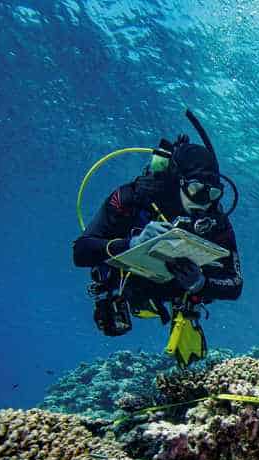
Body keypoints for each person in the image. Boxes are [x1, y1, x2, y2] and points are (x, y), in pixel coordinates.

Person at [73, 120, 242, 366]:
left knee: (191, 301)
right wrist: (131, 244)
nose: (204, 202)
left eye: (213, 193)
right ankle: (113, 299)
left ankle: (185, 316)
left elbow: (235, 284)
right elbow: (81, 251)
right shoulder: (132, 197)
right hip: (127, 279)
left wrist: (201, 283)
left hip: (178, 287)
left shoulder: (215, 218)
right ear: (178, 182)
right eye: (196, 190)